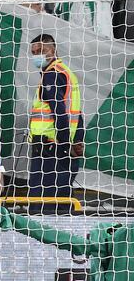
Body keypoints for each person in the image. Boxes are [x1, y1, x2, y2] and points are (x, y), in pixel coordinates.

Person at [27, 34, 84, 207]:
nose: (37, 55)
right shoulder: (66, 72)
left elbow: (60, 112)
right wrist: (77, 142)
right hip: (62, 150)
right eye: (34, 52)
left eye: (42, 51)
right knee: (61, 203)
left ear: (53, 50)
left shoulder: (52, 75)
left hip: (50, 150)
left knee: (42, 205)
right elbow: (77, 113)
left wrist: (65, 145)